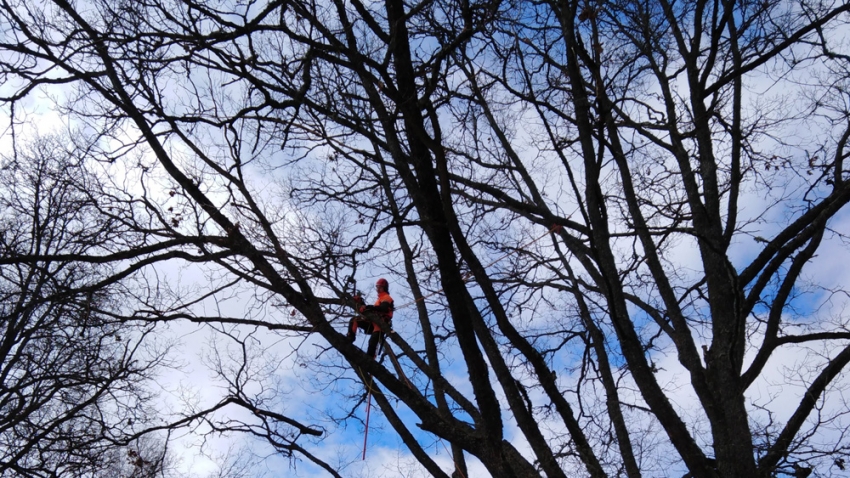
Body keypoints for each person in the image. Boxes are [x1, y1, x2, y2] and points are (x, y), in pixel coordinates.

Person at [347, 278, 394, 358]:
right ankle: (350, 338)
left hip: (381, 324)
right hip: (372, 322)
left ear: (384, 288)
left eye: (380, 287)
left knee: (372, 342)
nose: (378, 289)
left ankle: (370, 359)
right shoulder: (379, 299)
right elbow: (372, 310)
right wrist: (361, 302)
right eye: (377, 287)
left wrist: (368, 307)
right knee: (354, 320)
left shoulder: (386, 297)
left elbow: (383, 308)